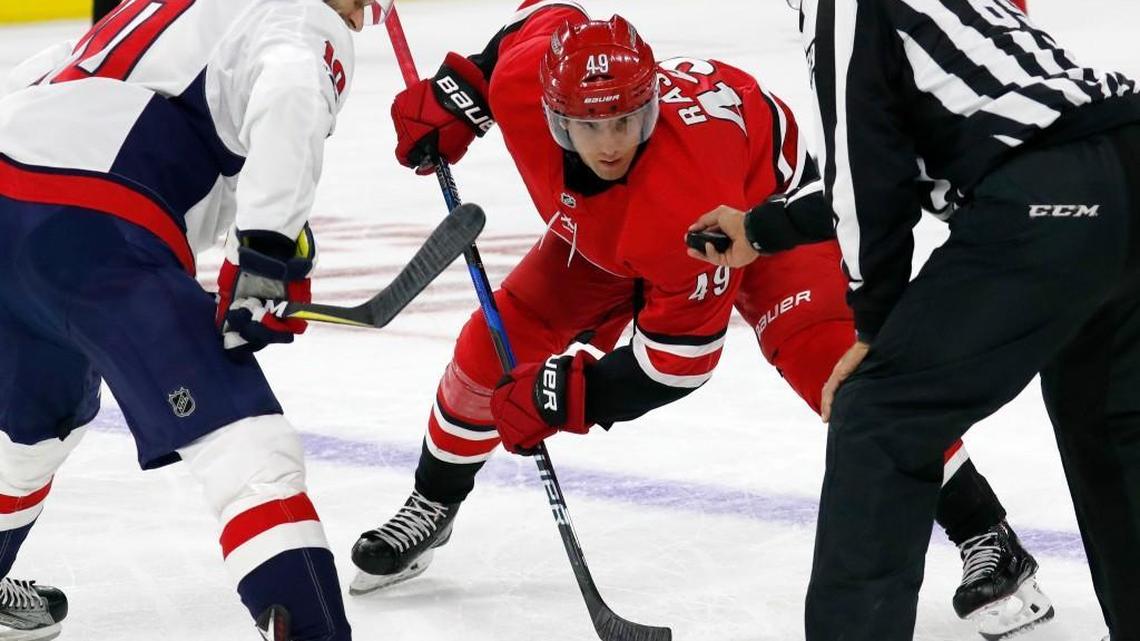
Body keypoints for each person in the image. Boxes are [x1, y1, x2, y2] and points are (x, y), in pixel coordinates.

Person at [349, 2, 1051, 635]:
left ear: (650, 105)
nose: (608, 142)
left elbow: (678, 363)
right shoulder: (527, 83)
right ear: (553, 111)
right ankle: (431, 503)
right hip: (603, 236)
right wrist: (462, 91)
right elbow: (538, 21)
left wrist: (567, 395)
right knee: (486, 346)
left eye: (625, 119)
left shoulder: (685, 203)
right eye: (588, 125)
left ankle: (988, 536)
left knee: (837, 373)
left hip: (760, 208)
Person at [698, 1, 1140, 639]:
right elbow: (920, 145)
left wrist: (873, 323)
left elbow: (867, 172)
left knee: (880, 413)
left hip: (1054, 194)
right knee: (1111, 427)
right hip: (1124, 161)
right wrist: (764, 229)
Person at [0, 0, 379, 639]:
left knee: (32, 434)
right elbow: (289, 91)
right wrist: (264, 254)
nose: (364, 16)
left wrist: (274, 231)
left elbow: (61, 87)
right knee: (247, 451)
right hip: (90, 225)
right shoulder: (303, 15)